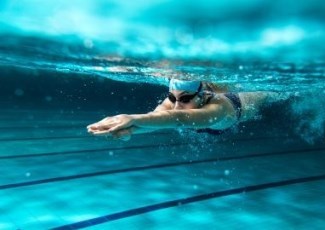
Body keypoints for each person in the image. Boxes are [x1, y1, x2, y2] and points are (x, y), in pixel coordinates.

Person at [87, 79, 277, 140]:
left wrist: (129, 117)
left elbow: (180, 118)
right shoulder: (175, 101)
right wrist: (128, 130)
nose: (176, 104)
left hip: (250, 99)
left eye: (185, 99)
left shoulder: (219, 108)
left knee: (273, 93)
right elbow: (155, 119)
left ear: (203, 96)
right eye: (172, 97)